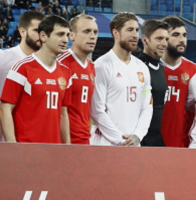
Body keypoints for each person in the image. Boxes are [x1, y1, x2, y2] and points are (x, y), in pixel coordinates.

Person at [0, 15, 72, 144]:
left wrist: (67, 145)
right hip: (27, 148)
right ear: (43, 36)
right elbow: (5, 108)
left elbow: (63, 113)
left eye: (67, 35)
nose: (65, 40)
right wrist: (12, 145)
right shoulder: (22, 68)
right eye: (60, 34)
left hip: (54, 149)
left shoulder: (66, 72)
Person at [90, 13, 153, 146]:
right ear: (116, 33)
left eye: (137, 30)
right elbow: (97, 110)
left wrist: (138, 135)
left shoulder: (142, 68)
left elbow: (147, 107)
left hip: (133, 144)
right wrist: (120, 139)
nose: (135, 35)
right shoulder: (101, 66)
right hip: (106, 144)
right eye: (130, 30)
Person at [0, 11, 43, 141]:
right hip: (3, 138)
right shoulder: (2, 57)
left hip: (34, 137)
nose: (41, 35)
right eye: (36, 30)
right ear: (22, 32)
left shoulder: (49, 64)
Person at [58, 14, 98, 144]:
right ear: (72, 36)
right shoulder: (60, 63)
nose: (92, 36)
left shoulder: (91, 67)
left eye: (95, 32)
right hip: (62, 141)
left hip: (84, 139)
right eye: (87, 31)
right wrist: (66, 142)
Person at [160, 16, 196, 148]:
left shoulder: (193, 70)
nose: (182, 40)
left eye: (184, 35)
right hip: (152, 142)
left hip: (182, 144)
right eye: (176, 35)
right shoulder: (149, 67)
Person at [135, 19, 169, 147]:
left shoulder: (161, 67)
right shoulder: (136, 66)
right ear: (145, 40)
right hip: (139, 138)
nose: (164, 43)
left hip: (157, 138)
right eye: (159, 39)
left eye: (166, 39)